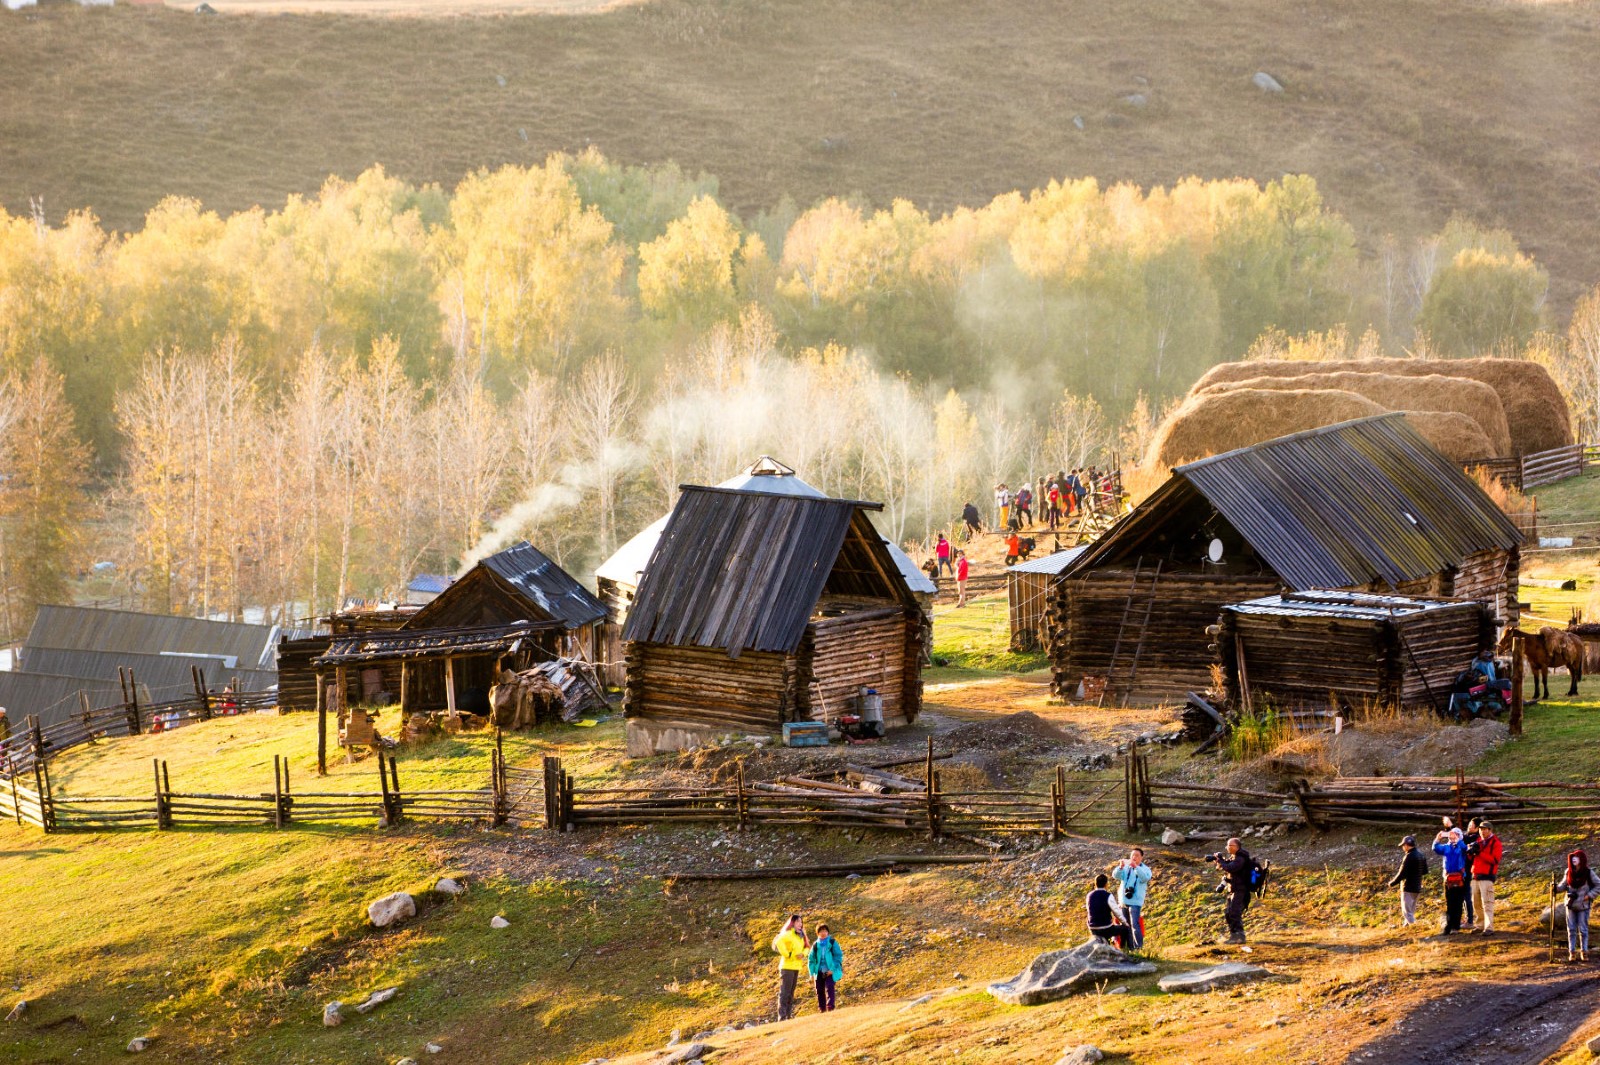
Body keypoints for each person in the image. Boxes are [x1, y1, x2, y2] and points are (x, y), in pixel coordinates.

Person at [1210, 838, 1257, 944]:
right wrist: (1219, 860)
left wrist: (1221, 861)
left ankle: (1240, 937)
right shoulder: (1234, 857)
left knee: (1234, 913)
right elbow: (1228, 868)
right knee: (1228, 913)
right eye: (1227, 845)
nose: (1227, 847)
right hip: (1233, 889)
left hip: (1241, 890)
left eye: (1230, 845)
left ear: (1236, 847)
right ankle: (1233, 936)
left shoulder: (1241, 858)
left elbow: (1231, 868)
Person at [1560, 848, 1598, 962]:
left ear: (1581, 859)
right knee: (1571, 929)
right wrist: (1555, 888)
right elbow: (1562, 886)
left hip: (1583, 905)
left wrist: (1589, 895)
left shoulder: (1588, 873)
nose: (1573, 859)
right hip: (1570, 905)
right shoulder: (1568, 872)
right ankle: (1572, 952)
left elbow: (1598, 885)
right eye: (1572, 858)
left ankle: (1584, 952)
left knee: (1583, 930)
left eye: (1576, 857)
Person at [1111, 847, 1152, 948]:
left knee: (1135, 924)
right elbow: (1115, 876)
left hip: (1136, 901)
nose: (1134, 857)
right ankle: (1127, 947)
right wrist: (1120, 867)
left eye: (1137, 855)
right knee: (1125, 925)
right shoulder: (1126, 867)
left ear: (1141, 857)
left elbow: (1145, 878)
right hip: (1123, 901)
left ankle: (1138, 947)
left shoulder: (1145, 869)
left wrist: (1136, 867)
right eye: (1132, 855)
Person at [771, 914, 809, 1021]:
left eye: (801, 922)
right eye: (797, 922)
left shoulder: (801, 936)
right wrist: (789, 954)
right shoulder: (788, 934)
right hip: (787, 967)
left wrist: (804, 954)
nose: (800, 924)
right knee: (784, 992)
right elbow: (778, 942)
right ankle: (782, 1017)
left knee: (791, 993)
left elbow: (806, 947)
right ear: (792, 923)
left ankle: (788, 1015)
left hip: (796, 967)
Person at [1467, 820, 1502, 934]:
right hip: (1475, 876)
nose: (1482, 831)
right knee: (1476, 903)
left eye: (1484, 829)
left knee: (1487, 903)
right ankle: (1480, 925)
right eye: (1481, 829)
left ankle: (1489, 927)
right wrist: (1470, 852)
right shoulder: (1478, 841)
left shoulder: (1495, 843)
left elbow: (1495, 860)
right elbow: (1471, 858)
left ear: (1490, 830)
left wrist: (1479, 853)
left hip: (1487, 877)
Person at [1433, 827, 1469, 934]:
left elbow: (1466, 849)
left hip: (1460, 878)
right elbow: (1435, 848)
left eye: (1456, 834)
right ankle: (1449, 926)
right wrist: (1437, 839)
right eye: (1451, 834)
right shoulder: (1446, 847)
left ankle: (1456, 926)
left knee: (1458, 903)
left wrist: (1458, 841)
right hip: (1448, 879)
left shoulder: (1461, 847)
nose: (1452, 836)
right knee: (1450, 903)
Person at [1389, 835, 1427, 927]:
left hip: (1408, 887)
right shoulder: (1421, 855)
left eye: (1403, 845)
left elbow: (1402, 873)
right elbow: (1425, 871)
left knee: (1407, 912)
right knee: (1411, 910)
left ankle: (1415, 928)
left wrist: (1392, 883)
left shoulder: (1408, 857)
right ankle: (1406, 926)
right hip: (1417, 887)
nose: (1402, 847)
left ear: (1406, 845)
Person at [1086, 874, 1132, 949]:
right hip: (1105, 927)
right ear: (1106, 884)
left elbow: (1089, 911)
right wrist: (1125, 923)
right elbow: (1116, 912)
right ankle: (1122, 949)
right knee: (1124, 929)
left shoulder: (1089, 895)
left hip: (1092, 928)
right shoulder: (1108, 896)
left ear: (1095, 884)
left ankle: (1106, 945)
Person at [808, 923, 844, 1011]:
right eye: (821, 931)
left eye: (825, 931)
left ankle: (830, 1007)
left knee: (830, 986)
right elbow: (811, 960)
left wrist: (833, 969)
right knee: (819, 990)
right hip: (819, 971)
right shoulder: (815, 945)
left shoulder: (832, 943)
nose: (823, 933)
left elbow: (838, 956)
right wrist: (811, 974)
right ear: (817, 933)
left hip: (830, 971)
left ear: (828, 932)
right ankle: (822, 1009)